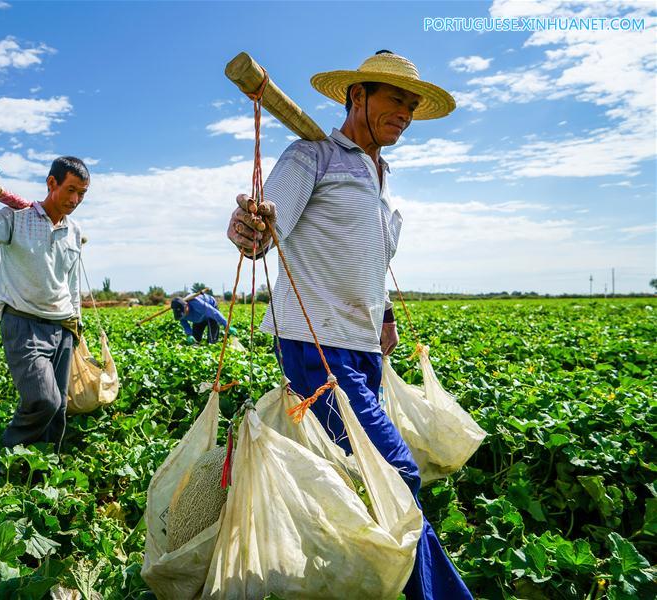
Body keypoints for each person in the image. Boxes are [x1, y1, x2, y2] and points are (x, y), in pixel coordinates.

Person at [227, 51, 471, 599]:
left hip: (361, 349)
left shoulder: (375, 173)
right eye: (394, 98)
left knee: (360, 474)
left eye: (411, 104)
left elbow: (368, 261)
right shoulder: (311, 155)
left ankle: (346, 572)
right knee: (396, 473)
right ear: (355, 96)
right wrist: (252, 224)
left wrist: (383, 316)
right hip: (316, 346)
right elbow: (269, 222)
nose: (405, 113)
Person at [0, 156, 89, 450]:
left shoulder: (74, 230)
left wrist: (77, 323)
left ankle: (44, 467)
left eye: (82, 193)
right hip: (24, 322)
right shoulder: (15, 217)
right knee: (44, 399)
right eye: (70, 190)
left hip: (64, 325)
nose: (75, 199)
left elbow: (72, 282)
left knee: (59, 409)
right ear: (51, 183)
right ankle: (10, 452)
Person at [170, 294, 234, 345]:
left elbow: (214, 313)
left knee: (212, 339)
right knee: (195, 340)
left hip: (210, 313)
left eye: (184, 312)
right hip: (198, 318)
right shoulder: (178, 313)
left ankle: (212, 346)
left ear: (186, 305)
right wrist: (189, 334)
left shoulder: (197, 304)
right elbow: (184, 324)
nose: (184, 315)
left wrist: (226, 325)